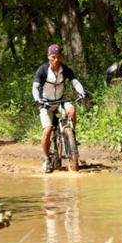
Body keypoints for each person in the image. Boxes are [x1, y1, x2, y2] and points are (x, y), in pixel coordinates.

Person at [32, 44, 86, 173]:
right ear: (49, 57)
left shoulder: (65, 69)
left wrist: (82, 92)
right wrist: (37, 100)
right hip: (45, 103)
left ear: (61, 57)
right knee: (48, 130)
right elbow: (35, 87)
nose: (56, 60)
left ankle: (70, 138)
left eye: (58, 57)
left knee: (72, 110)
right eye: (53, 57)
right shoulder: (43, 70)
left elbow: (74, 81)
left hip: (61, 101)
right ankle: (46, 159)